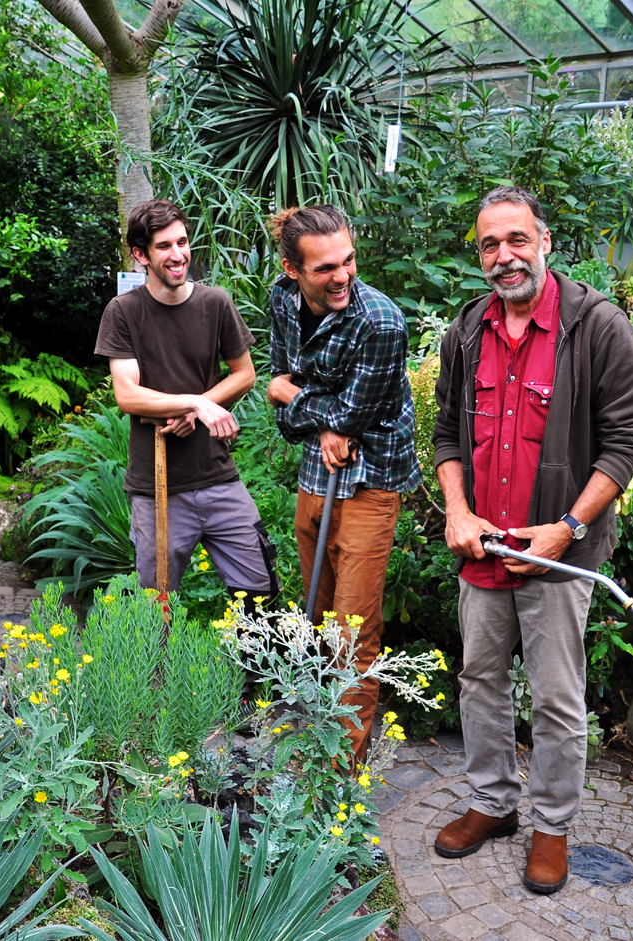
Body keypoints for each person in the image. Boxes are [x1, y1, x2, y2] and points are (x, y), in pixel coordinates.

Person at [429, 187, 633, 894]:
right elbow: (444, 435)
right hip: (482, 551)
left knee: (556, 697)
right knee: (479, 680)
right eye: (490, 245)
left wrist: (568, 527)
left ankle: (551, 826)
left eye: (516, 240)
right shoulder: (466, 330)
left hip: (559, 554)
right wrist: (457, 511)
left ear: (544, 241)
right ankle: (492, 804)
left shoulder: (597, 326)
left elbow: (627, 440)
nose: (504, 256)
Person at [266, 204, 423, 764]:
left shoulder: (380, 323)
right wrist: (314, 414)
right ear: (293, 270)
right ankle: (313, 738)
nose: (343, 276)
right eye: (325, 268)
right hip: (317, 470)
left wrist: (300, 402)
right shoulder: (283, 302)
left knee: (352, 636)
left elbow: (337, 411)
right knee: (316, 618)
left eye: (349, 260)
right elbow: (285, 407)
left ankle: (339, 784)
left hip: (370, 480)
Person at [94, 198, 277, 601]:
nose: (178, 255)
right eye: (164, 247)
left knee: (260, 591)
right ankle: (159, 668)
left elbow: (244, 373)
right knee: (157, 605)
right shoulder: (123, 312)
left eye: (182, 242)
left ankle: (253, 666)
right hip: (157, 486)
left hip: (217, 477)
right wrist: (196, 404)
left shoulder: (215, 303)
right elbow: (128, 394)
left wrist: (198, 406)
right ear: (140, 254)